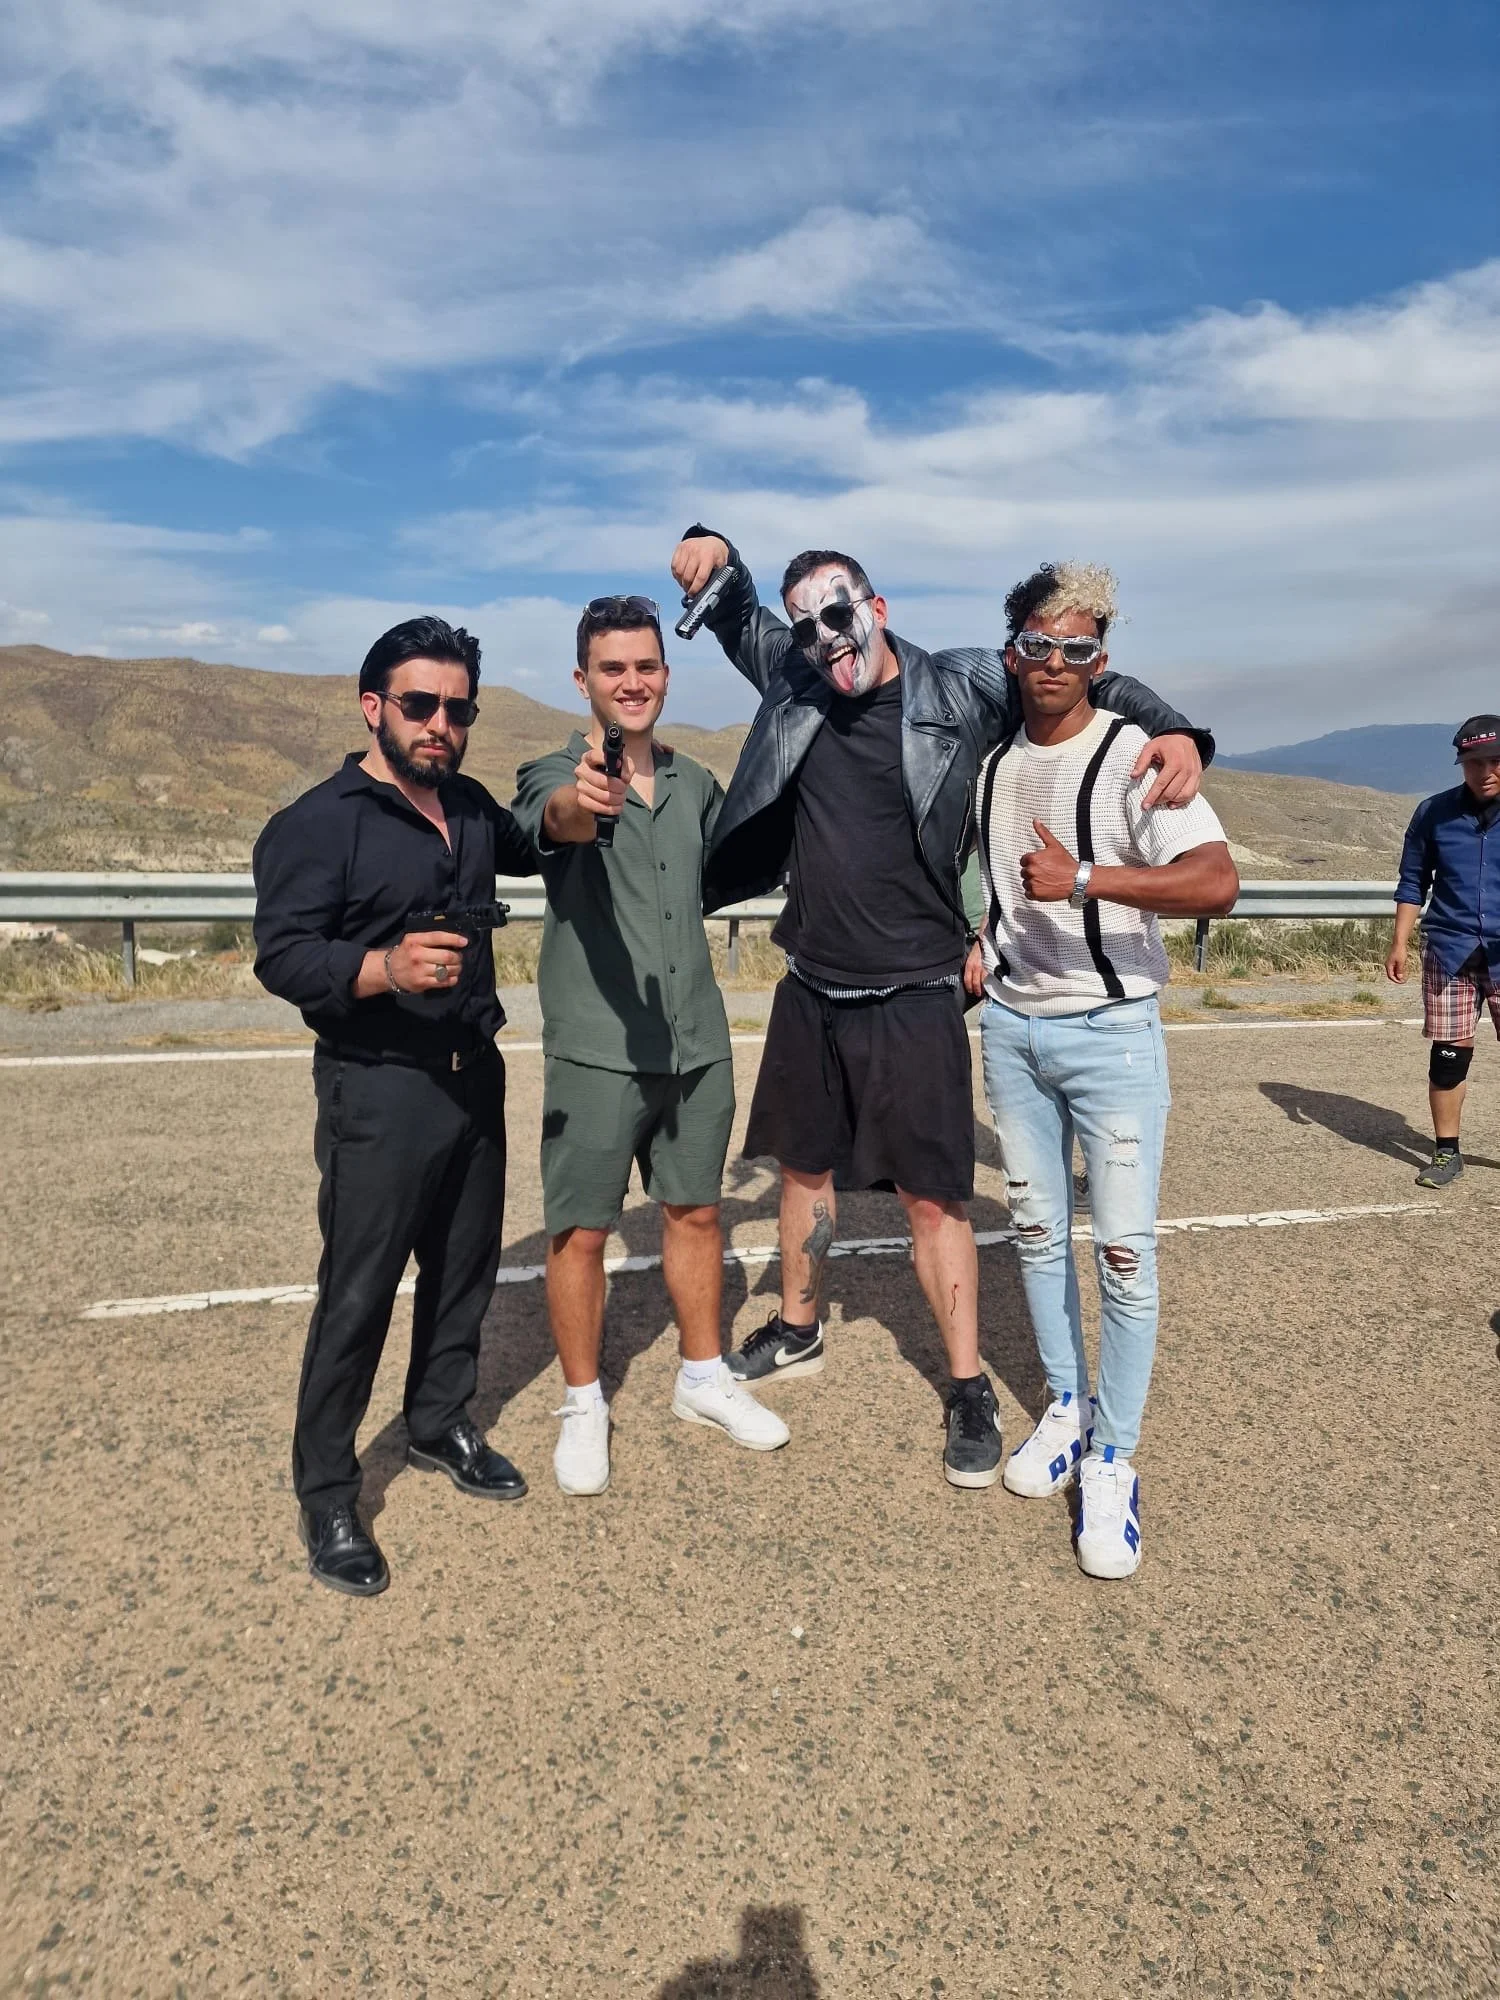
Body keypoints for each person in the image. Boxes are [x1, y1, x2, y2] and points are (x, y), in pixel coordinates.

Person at [669, 526, 1214, 1491]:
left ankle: (966, 1384)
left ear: (876, 609)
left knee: (933, 1197)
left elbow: (1071, 674)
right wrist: (715, 546)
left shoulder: (956, 686)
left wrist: (1178, 731)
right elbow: (745, 614)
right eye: (808, 629)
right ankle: (799, 1327)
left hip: (918, 984)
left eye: (841, 614)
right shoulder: (796, 672)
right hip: (813, 981)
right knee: (804, 1170)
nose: (826, 640)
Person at [252, 616, 537, 1597]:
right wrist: (379, 965)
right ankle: (328, 1490)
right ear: (373, 705)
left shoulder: (468, 807)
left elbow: (537, 844)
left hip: (473, 1074)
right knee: (359, 1292)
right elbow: (282, 953)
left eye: (459, 708)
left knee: (465, 1269)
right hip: (377, 1086)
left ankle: (439, 1421)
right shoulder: (319, 822)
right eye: (420, 704)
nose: (441, 723)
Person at [966, 562, 1237, 1577]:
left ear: (1102, 659)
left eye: (1078, 646)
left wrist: (1084, 876)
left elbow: (1218, 882)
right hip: (1013, 1030)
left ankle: (1116, 1459)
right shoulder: (995, 764)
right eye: (1039, 643)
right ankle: (1068, 1409)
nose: (1056, 662)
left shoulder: (1135, 754)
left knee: (1123, 1254)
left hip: (1114, 1032)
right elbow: (999, 887)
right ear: (1014, 651)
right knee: (1036, 1232)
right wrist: (984, 943)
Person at [510, 595, 789, 1497]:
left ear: (665, 676)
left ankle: (703, 1378)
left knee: (696, 1213)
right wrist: (577, 803)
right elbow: (548, 819)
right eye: (613, 668)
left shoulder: (695, 782)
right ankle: (584, 1402)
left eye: (646, 667)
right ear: (583, 679)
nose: (632, 682)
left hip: (697, 1042)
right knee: (582, 1231)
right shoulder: (554, 770)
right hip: (596, 1051)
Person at [1387, 714, 1500, 1188]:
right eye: (1474, 762)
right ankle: (1445, 1153)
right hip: (1449, 950)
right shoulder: (1433, 813)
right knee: (1449, 1058)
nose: (1486, 771)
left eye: (1496, 760)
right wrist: (1399, 941)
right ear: (1461, 765)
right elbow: (1413, 880)